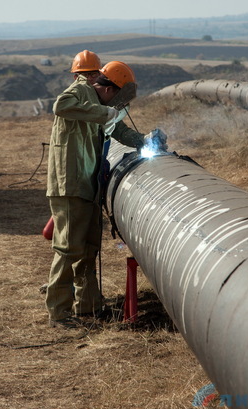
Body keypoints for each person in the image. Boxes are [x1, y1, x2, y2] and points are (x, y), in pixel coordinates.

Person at [45, 52, 167, 329]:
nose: (116, 106)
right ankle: (58, 311)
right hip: (70, 185)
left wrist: (145, 141)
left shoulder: (96, 102)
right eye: (116, 99)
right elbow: (60, 105)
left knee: (87, 249)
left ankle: (88, 306)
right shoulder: (80, 92)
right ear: (108, 88)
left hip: (86, 186)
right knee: (69, 249)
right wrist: (105, 112)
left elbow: (119, 129)